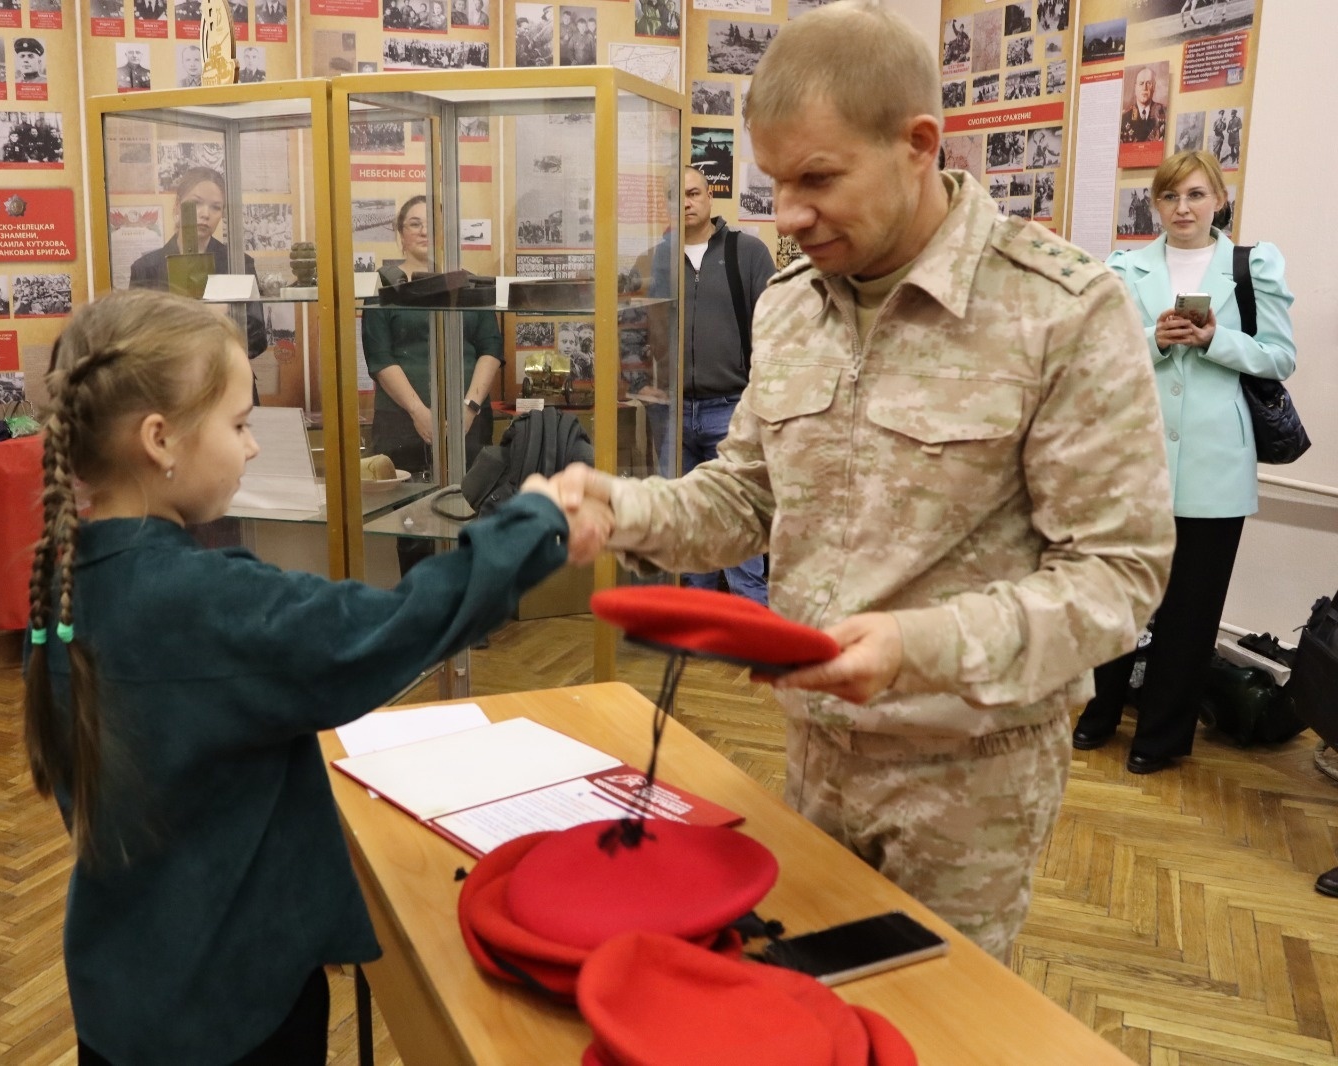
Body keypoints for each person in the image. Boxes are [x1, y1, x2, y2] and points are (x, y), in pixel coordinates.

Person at [554, 0, 1174, 961]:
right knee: (807, 998)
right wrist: (619, 504)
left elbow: (1117, 578)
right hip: (815, 749)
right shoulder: (791, 305)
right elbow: (749, 496)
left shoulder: (1062, 310)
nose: (788, 215)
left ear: (919, 144)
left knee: (936, 1019)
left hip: (971, 773)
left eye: (818, 178)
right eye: (773, 183)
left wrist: (916, 646)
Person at [22, 289, 602, 1065]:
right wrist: (532, 520)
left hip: (123, 993)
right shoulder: (206, 605)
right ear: (160, 439)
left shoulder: (61, 590)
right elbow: (393, 628)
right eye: (238, 424)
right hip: (233, 1013)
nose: (253, 446)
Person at [1073, 151, 1295, 775]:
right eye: (1170, 197)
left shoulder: (1252, 266)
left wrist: (1215, 341)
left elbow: (1280, 357)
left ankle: (1160, 738)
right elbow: (1099, 356)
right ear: (1157, 205)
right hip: (1133, 461)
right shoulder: (1124, 267)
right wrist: (1156, 342)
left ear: (1219, 199)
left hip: (1215, 463)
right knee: (1118, 599)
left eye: (1196, 195)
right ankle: (1096, 716)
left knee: (1191, 614)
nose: (1184, 208)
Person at [646, 166, 775, 605]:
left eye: (693, 192)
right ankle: (700, 633)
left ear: (710, 197)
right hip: (673, 415)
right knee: (688, 530)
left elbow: (775, 329)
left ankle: (753, 634)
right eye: (676, 195)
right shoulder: (656, 262)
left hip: (732, 408)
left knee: (738, 526)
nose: (686, 202)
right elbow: (632, 325)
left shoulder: (748, 253)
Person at [361, 195, 503, 574]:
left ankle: (466, 618)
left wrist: (468, 409)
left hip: (470, 422)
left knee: (471, 517)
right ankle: (420, 615)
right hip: (402, 423)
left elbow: (491, 348)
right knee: (412, 525)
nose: (425, 230)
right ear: (400, 235)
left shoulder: (470, 284)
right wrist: (419, 412)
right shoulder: (384, 288)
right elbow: (379, 357)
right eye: (414, 223)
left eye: (433, 223)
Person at [127, 166, 267, 367]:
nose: (205, 214)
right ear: (177, 206)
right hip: (172, 384)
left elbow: (257, 339)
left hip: (226, 377)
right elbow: (136, 342)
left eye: (216, 207)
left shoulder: (238, 262)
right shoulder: (146, 268)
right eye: (196, 203)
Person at [1121, 66, 1166, 144]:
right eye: (1141, 83)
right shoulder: (1124, 117)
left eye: (1148, 83)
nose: (1144, 88)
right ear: (1135, 88)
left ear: (1154, 86)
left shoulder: (1164, 112)